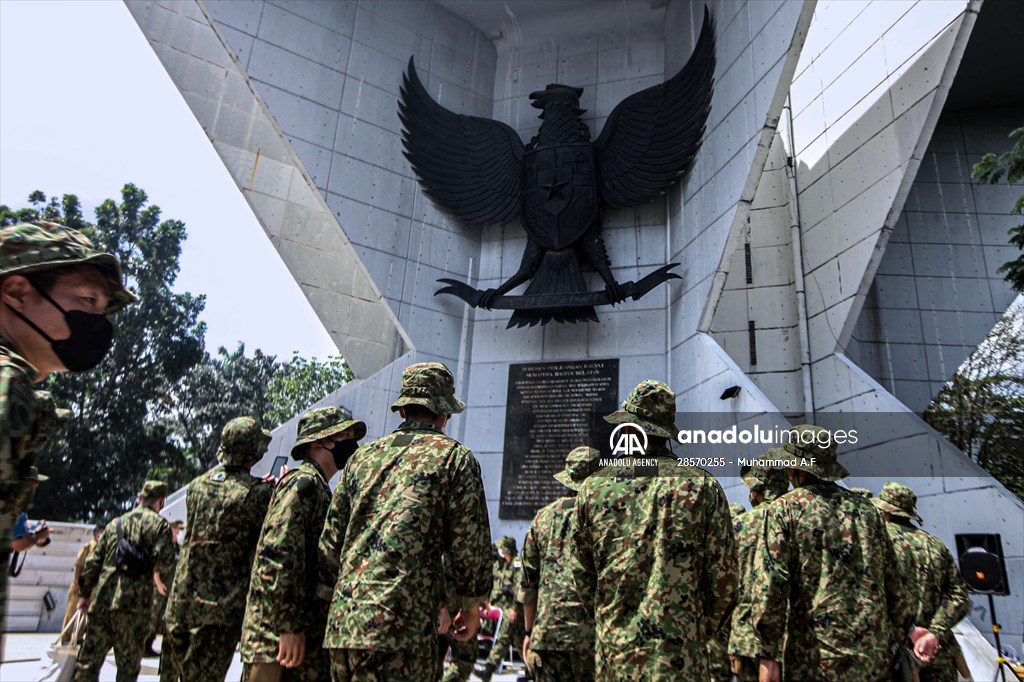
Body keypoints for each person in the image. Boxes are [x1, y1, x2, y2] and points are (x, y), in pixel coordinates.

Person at [318, 361, 492, 681]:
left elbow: (331, 544)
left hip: (346, 627)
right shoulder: (454, 459)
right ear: (445, 414)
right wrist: (469, 605)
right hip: (404, 631)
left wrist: (333, 605)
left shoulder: (361, 460)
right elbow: (470, 546)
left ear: (402, 411)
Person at [1, 221, 135, 630]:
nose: (98, 321)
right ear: (18, 294)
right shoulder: (8, 387)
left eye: (101, 308)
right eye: (86, 299)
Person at [569, 379, 737, 679]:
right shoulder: (702, 486)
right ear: (665, 434)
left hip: (617, 658)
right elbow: (723, 585)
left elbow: (582, 575)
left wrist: (611, 622)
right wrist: (692, 631)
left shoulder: (593, 488)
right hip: (681, 660)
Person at [747, 425, 937, 681]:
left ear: (795, 467)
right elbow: (893, 583)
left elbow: (772, 585)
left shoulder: (784, 509)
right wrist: (907, 631)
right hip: (873, 657)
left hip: (814, 659)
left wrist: (768, 654)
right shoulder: (868, 510)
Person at [240, 405, 365, 682]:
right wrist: (287, 626)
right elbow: (277, 555)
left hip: (296, 636)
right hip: (276, 640)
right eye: (345, 434)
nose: (352, 443)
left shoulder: (318, 487)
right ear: (322, 440)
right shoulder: (303, 485)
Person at [161, 417, 274, 682]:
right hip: (218, 612)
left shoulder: (198, 486)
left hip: (180, 605)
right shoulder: (258, 494)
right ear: (253, 453)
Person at [73, 480, 175, 682]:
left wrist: (84, 595)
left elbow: (93, 562)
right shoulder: (159, 526)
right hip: (133, 608)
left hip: (102, 603)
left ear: (140, 499)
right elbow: (165, 562)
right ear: (162, 501)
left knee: (88, 665)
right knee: (127, 669)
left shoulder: (114, 524)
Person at [873, 482, 970, 682]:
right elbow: (959, 596)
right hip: (938, 654)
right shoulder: (936, 545)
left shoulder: (876, 541)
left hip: (893, 655)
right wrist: (934, 633)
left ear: (885, 512)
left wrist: (910, 631)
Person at [518, 446, 600, 682]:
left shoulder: (543, 518)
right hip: (592, 636)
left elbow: (528, 582)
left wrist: (528, 631)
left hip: (548, 634)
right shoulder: (605, 515)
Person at [727, 459, 789, 681]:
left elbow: (725, 584)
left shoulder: (739, 524)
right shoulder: (796, 515)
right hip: (794, 636)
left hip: (748, 635)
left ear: (760, 490)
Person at [475, 535, 524, 681]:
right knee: (519, 640)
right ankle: (534, 670)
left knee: (504, 637)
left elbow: (520, 589)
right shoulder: (501, 565)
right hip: (499, 608)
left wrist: (515, 609)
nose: (500, 551)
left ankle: (488, 670)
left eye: (502, 548)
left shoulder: (517, 565)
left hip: (512, 610)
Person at [144, 519, 184, 657]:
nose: (179, 532)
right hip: (159, 587)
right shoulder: (163, 546)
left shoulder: (177, 547)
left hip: (170, 587)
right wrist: (159, 583)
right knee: (153, 615)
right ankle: (145, 644)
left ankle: (151, 643)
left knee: (162, 616)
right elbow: (155, 567)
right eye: (177, 529)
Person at [61, 523, 105, 644]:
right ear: (95, 534)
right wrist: (76, 583)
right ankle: (66, 637)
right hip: (81, 585)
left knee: (85, 613)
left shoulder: (104, 549)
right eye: (101, 532)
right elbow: (79, 566)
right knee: (72, 612)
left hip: (93, 587)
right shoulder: (87, 548)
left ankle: (78, 637)